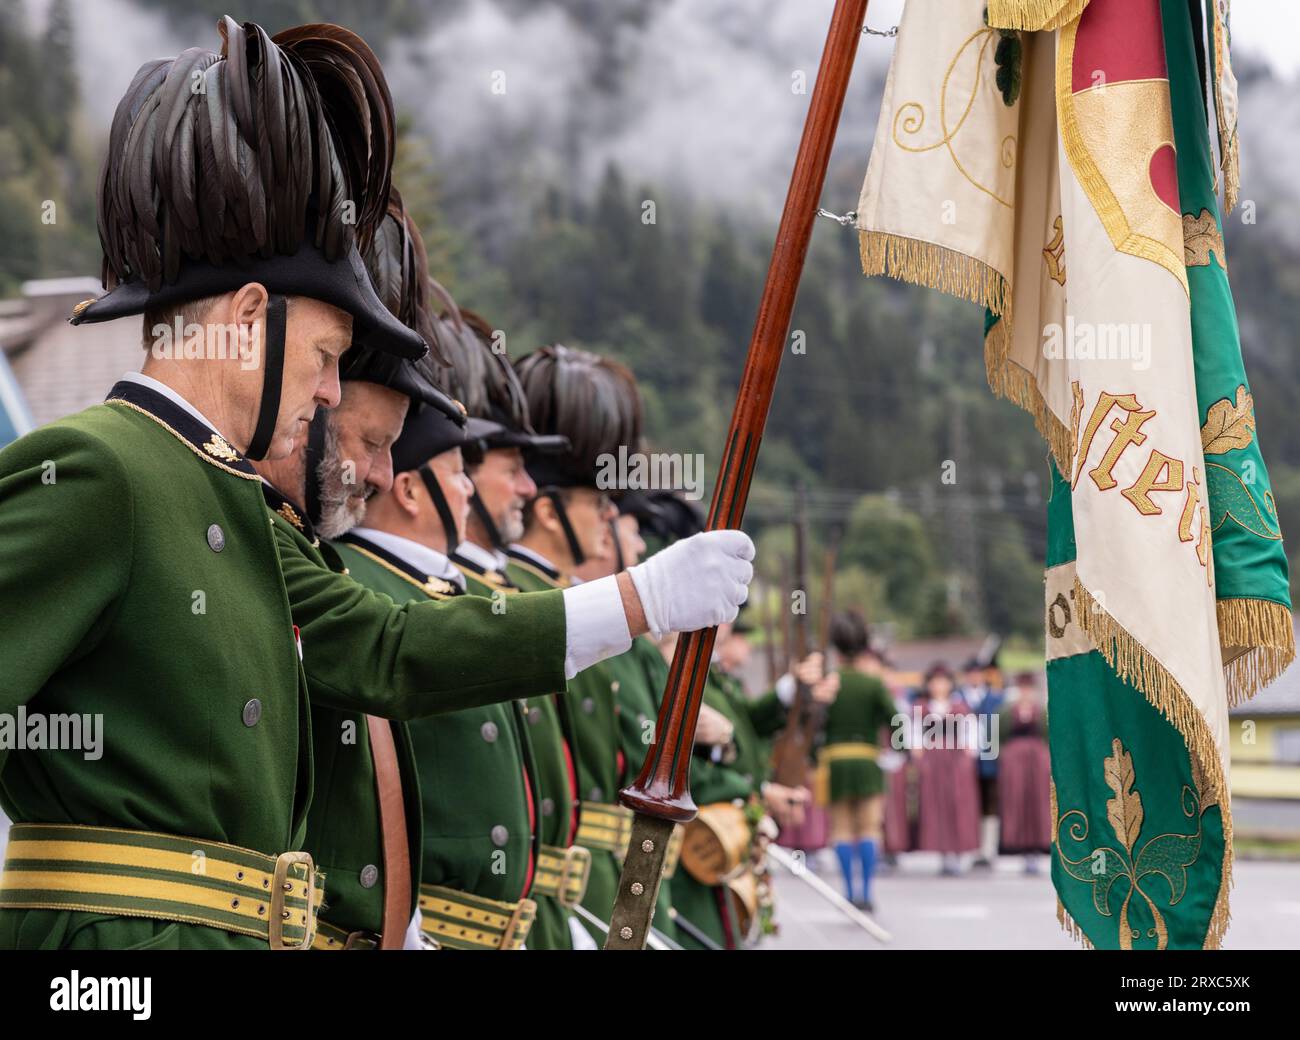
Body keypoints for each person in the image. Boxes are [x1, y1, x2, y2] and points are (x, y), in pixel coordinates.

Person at [0, 18, 430, 950]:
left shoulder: (228, 498)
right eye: (324, 356)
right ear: (245, 320)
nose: (326, 391)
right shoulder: (102, 471)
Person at [819, 609, 897, 911]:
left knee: (840, 829)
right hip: (867, 764)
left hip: (835, 764)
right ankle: (866, 890)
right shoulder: (872, 684)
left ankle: (849, 890)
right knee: (868, 828)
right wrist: (898, 753)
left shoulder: (828, 682)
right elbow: (897, 722)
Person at [914, 664, 981, 875]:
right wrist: (920, 753)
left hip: (956, 762)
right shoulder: (922, 707)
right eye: (935, 682)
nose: (939, 686)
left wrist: (967, 755)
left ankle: (958, 853)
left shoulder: (960, 707)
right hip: (934, 762)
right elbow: (914, 735)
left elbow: (972, 734)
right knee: (937, 805)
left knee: (958, 804)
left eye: (943, 682)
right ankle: (943, 854)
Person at [997, 673, 1051, 874]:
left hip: (1037, 763)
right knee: (1018, 803)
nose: (1025, 693)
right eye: (1022, 688)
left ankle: (1037, 850)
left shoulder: (1042, 711)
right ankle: (1020, 848)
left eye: (1029, 688)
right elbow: (998, 737)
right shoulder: (1006, 712)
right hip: (1015, 764)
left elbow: (1048, 736)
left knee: (1037, 804)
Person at [961, 659, 1004, 869]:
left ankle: (987, 849)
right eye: (971, 673)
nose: (975, 677)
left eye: (978, 673)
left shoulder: (996, 699)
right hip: (963, 759)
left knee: (990, 803)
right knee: (968, 803)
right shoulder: (958, 698)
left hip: (989, 757)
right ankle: (970, 848)